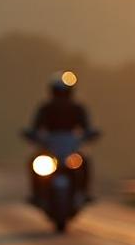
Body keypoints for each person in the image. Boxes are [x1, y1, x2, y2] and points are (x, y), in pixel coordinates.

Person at [26, 71, 96, 200]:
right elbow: (35, 128)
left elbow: (87, 128)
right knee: (33, 161)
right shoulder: (45, 108)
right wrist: (32, 134)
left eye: (63, 93)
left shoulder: (78, 108)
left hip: (70, 147)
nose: (61, 97)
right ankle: (36, 194)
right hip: (50, 147)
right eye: (59, 93)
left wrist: (90, 134)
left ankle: (84, 192)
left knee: (84, 162)